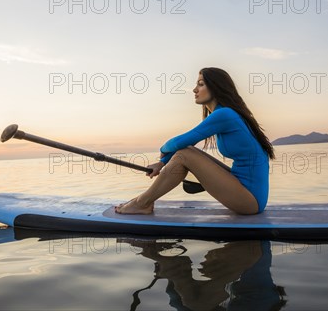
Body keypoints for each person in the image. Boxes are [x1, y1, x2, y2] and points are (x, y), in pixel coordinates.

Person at [115, 67, 275, 215]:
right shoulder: (225, 114)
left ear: (215, 87)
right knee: (187, 153)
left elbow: (182, 141)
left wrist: (163, 149)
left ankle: (142, 203)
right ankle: (143, 202)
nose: (194, 89)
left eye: (201, 84)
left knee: (185, 154)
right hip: (246, 192)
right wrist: (163, 162)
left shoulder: (225, 114)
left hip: (250, 200)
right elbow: (185, 146)